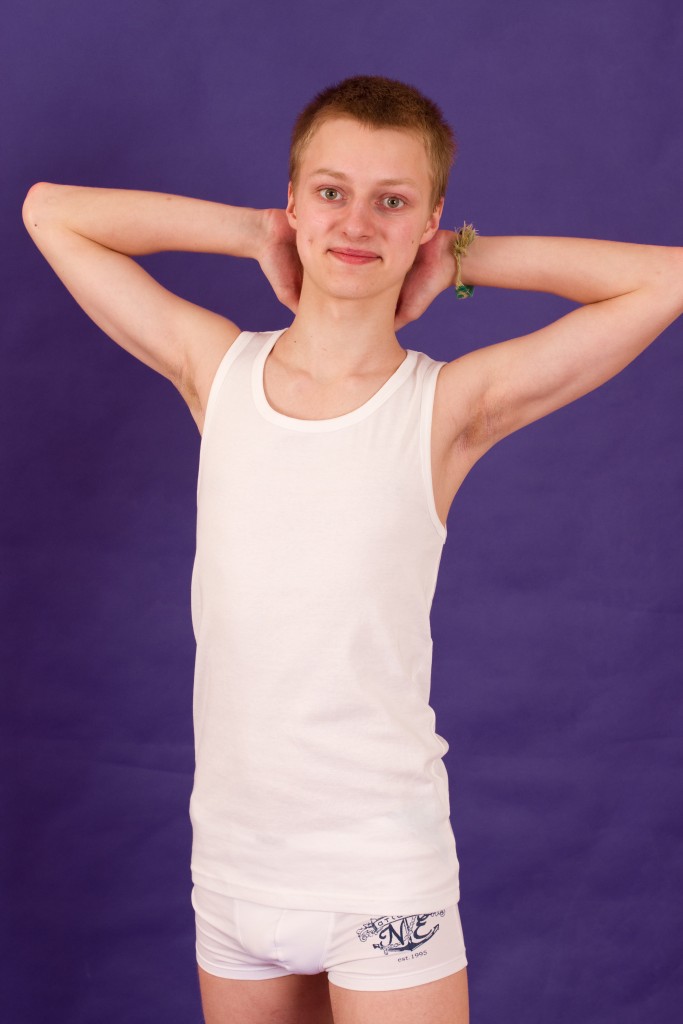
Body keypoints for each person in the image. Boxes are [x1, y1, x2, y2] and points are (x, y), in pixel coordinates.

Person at [22, 74, 682, 1024]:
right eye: (330, 191)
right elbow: (51, 214)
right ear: (294, 198)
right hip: (235, 869)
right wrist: (253, 232)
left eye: (393, 202)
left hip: (379, 866)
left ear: (430, 220)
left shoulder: (446, 407)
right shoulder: (216, 371)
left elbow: (662, 278)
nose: (357, 223)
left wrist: (462, 258)